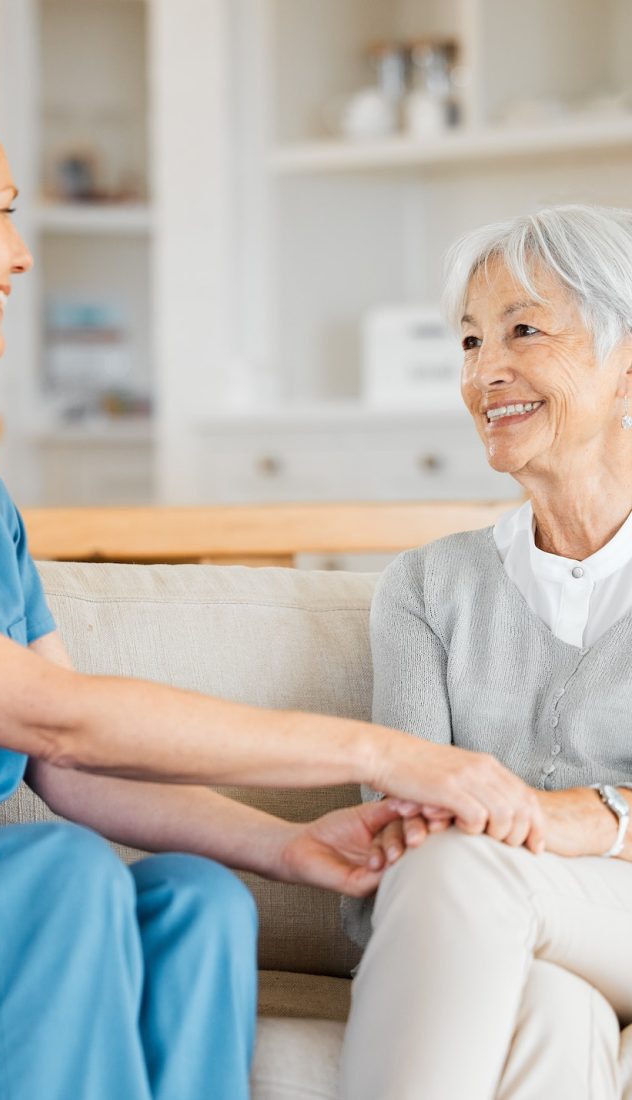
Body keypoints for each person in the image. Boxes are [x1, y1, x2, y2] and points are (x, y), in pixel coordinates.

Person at [0, 58, 541, 1100]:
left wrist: (288, 846)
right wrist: (389, 752)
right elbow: (59, 718)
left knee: (197, 904)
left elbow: (66, 773)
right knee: (54, 876)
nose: (19, 254)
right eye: (0, 211)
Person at [340, 204, 632, 1100]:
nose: (484, 372)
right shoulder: (428, 586)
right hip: (489, 920)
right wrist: (534, 825)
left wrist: (599, 817)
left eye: (523, 331)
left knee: (463, 869)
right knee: (550, 1011)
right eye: (469, 343)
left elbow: (454, 837)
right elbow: (404, 818)